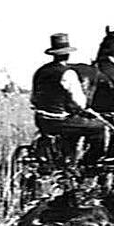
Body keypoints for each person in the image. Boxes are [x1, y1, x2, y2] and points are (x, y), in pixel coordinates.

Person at [31, 33, 105, 165]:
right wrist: (85, 111)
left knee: (73, 126)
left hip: (41, 119)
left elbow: (34, 98)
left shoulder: (40, 71)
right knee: (98, 128)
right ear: (67, 54)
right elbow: (79, 102)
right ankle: (90, 164)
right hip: (59, 121)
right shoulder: (67, 73)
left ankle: (65, 156)